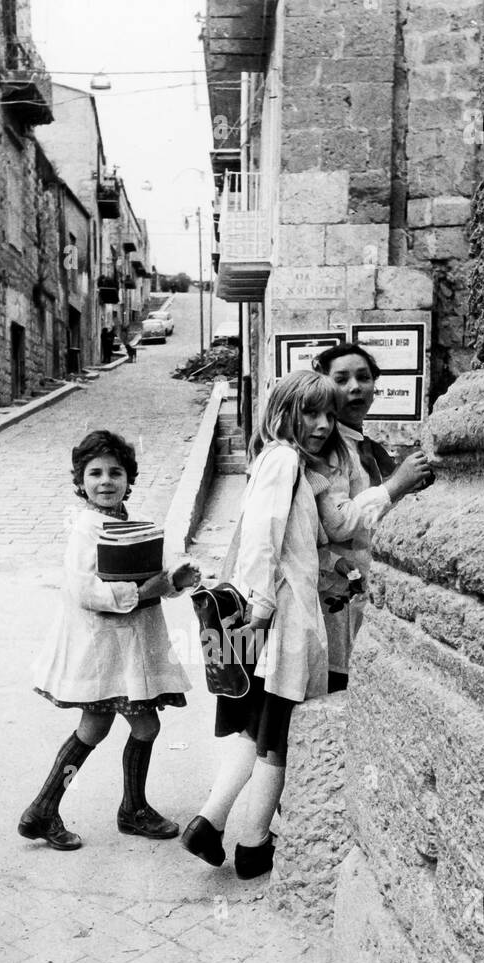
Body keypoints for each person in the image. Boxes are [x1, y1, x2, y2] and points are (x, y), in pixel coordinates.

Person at [181, 371, 336, 880]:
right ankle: (252, 845)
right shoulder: (284, 458)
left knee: (260, 726)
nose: (322, 424)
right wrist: (264, 606)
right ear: (284, 410)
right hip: (280, 617)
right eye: (311, 412)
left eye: (328, 415)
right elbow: (261, 536)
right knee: (277, 733)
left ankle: (213, 824)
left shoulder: (280, 459)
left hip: (277, 613)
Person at [20, 429, 200, 850]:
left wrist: (176, 579)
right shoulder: (87, 528)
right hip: (104, 649)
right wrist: (141, 593)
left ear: (129, 479)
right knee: (141, 724)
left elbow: (159, 571)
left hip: (123, 651)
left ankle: (45, 809)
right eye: (94, 473)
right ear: (80, 481)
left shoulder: (129, 523)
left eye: (115, 472)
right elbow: (82, 591)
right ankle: (128, 810)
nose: (105, 481)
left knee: (95, 727)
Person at [313, 342, 434, 690]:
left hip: (359, 584)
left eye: (363, 378)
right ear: (323, 386)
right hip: (334, 589)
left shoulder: (360, 445)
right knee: (338, 679)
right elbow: (338, 523)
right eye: (342, 379)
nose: (355, 387)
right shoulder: (329, 448)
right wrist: (396, 485)